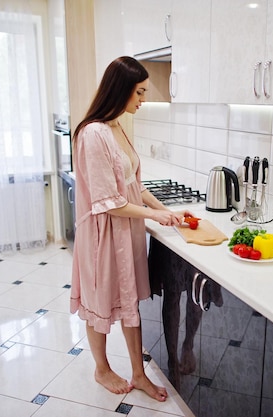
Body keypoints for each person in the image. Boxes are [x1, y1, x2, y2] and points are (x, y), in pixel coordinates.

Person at [70, 56, 193, 402]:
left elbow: (130, 184)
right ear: (121, 89)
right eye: (139, 92)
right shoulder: (93, 133)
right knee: (101, 301)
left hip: (126, 233)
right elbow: (109, 201)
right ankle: (102, 368)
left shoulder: (116, 127)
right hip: (103, 235)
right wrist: (153, 218)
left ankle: (138, 373)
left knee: (129, 304)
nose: (142, 100)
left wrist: (165, 210)